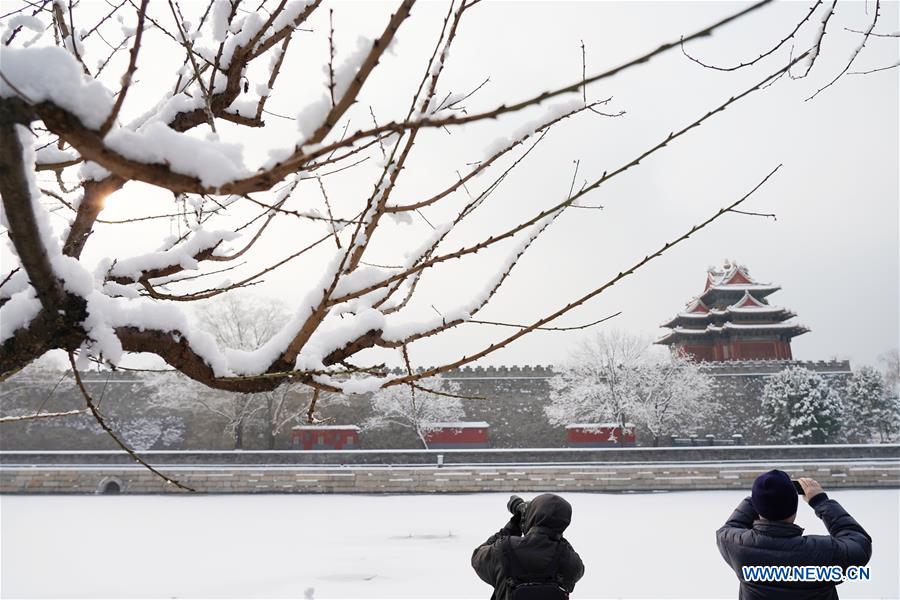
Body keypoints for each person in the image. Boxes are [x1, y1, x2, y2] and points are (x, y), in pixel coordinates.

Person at [716, 470, 872, 600]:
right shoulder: (824, 552)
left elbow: (730, 526)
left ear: (758, 508)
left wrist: (760, 496)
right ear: (794, 510)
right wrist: (821, 501)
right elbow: (859, 544)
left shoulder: (737, 546)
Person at [471, 493, 584, 599]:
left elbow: (477, 557)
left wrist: (513, 526)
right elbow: (578, 569)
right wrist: (555, 534)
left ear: (532, 516)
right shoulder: (568, 559)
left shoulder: (504, 549)